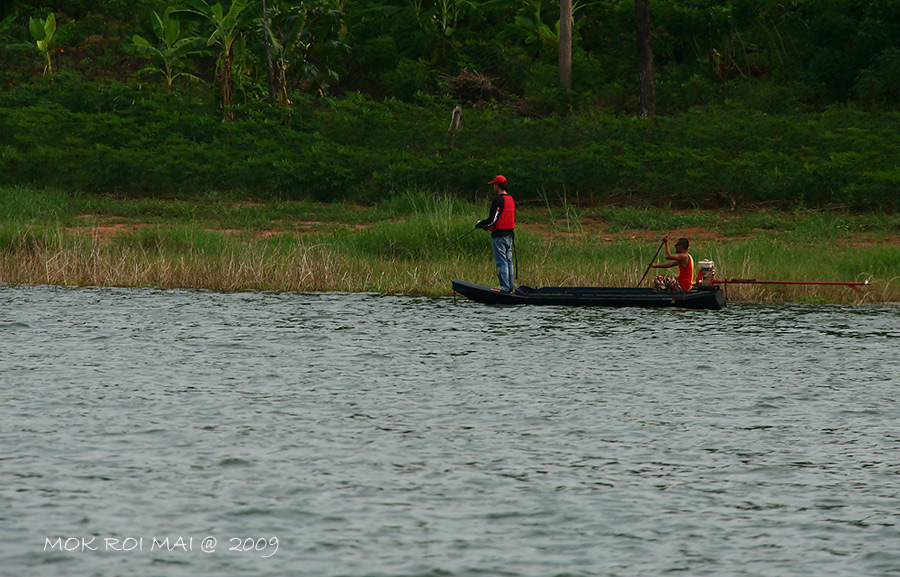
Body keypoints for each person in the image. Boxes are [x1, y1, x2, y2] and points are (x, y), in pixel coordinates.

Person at [475, 175, 515, 293]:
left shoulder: (498, 200)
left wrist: (481, 224)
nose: (493, 186)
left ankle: (504, 287)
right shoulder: (511, 199)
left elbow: (492, 219)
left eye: (494, 184)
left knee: (501, 262)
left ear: (497, 185)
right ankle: (510, 287)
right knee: (508, 261)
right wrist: (487, 226)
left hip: (499, 237)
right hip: (509, 235)